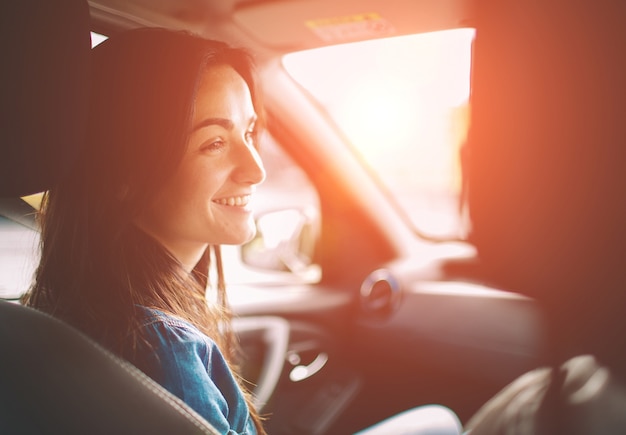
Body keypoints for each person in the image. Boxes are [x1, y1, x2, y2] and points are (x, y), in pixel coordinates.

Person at [23, 27, 463, 435]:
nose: (255, 169)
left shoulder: (44, 315)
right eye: (214, 143)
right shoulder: (164, 350)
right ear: (123, 175)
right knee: (442, 422)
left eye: (250, 132)